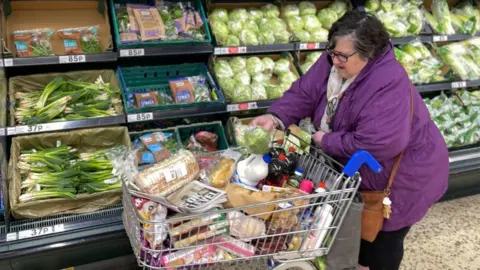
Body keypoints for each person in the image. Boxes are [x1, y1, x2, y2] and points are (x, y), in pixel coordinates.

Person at [251, 10, 449, 270]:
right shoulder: (336, 59)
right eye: (331, 52)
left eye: (342, 56)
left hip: (401, 180)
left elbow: (380, 143)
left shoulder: (388, 82)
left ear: (369, 54)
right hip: (359, 174)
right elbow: (306, 91)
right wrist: (276, 116)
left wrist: (326, 140)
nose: (334, 61)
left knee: (378, 242)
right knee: (349, 238)